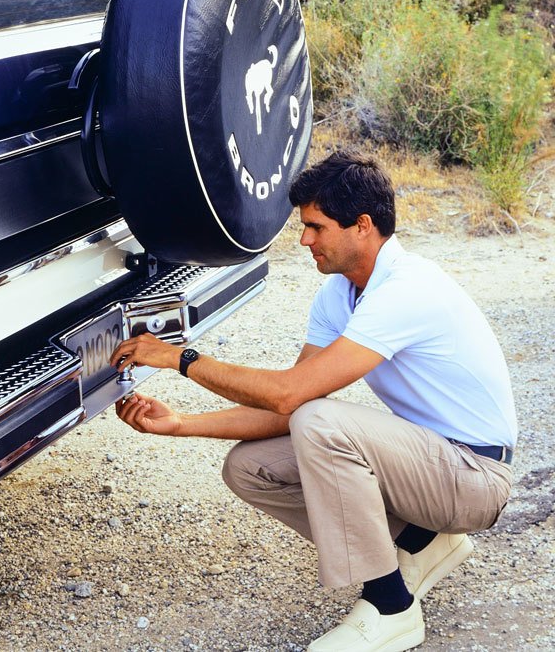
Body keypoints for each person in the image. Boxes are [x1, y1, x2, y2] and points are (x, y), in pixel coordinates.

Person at [110, 150, 516, 652]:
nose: (304, 240)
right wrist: (182, 424)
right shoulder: (340, 294)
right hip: (430, 463)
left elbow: (293, 395)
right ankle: (421, 540)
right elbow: (284, 407)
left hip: (474, 478)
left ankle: (392, 609)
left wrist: (182, 359)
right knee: (249, 467)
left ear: (362, 226)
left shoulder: (408, 289)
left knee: (322, 421)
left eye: (316, 227)